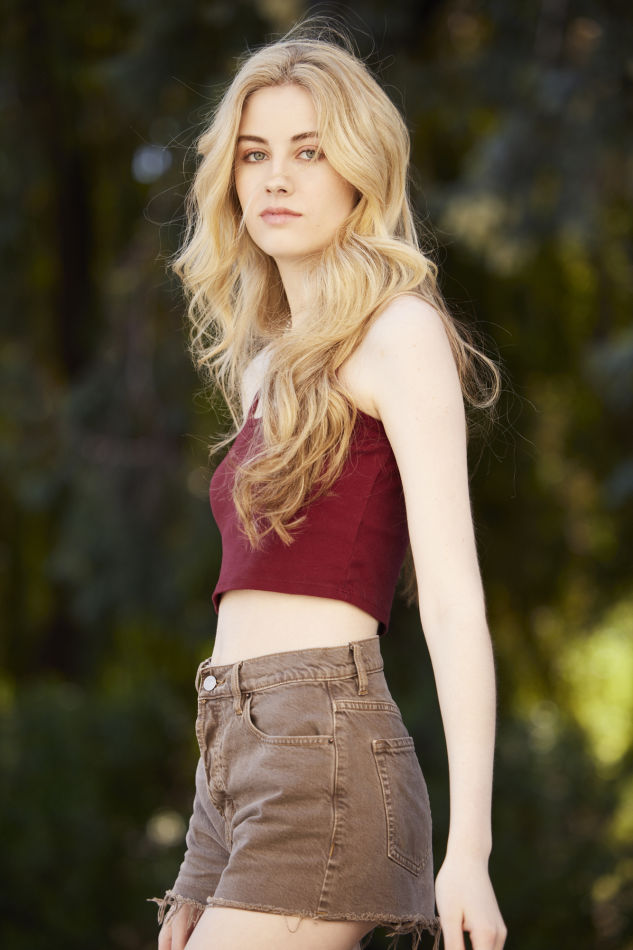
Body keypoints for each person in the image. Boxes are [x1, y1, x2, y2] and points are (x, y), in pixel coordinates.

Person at [151, 20, 507, 950]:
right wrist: (200, 845)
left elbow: (453, 600)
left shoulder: (399, 333)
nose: (276, 177)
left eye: (308, 152)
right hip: (231, 746)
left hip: (326, 750)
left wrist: (469, 848)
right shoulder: (265, 364)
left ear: (358, 172)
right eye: (254, 153)